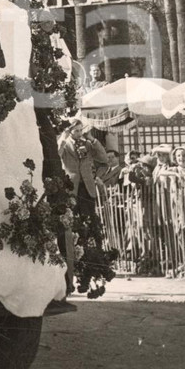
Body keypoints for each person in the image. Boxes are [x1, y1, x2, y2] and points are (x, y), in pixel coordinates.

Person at [58, 119, 108, 294]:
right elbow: (56, 155)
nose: (80, 133)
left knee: (89, 225)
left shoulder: (88, 144)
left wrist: (93, 139)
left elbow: (103, 159)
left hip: (87, 189)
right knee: (74, 227)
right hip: (72, 189)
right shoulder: (65, 144)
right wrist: (63, 138)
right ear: (70, 131)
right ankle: (74, 268)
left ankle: (93, 266)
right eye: (76, 131)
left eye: (81, 130)